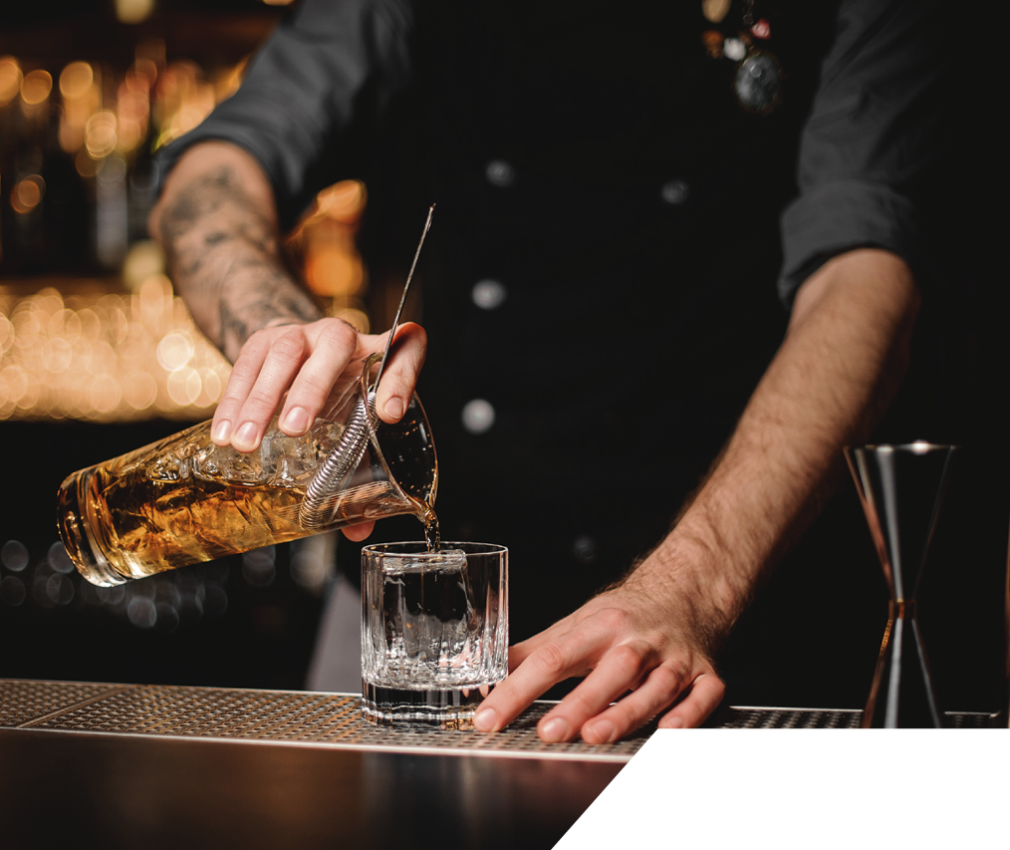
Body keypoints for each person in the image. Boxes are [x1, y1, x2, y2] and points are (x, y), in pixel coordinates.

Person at [150, 0, 947, 738]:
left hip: (729, 596)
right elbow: (214, 171)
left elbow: (866, 275)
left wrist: (694, 588)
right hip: (426, 614)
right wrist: (280, 337)